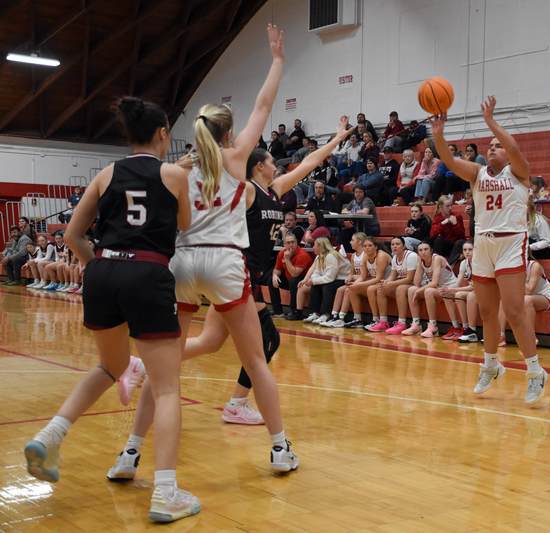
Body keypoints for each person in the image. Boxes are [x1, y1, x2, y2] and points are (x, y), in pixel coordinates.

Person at [106, 26, 303, 495]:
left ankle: (130, 452)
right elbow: (263, 106)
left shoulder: (177, 169)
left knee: (164, 367)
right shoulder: (237, 159)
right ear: (228, 133)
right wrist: (276, 60)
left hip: (182, 265)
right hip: (224, 264)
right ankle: (280, 448)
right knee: (256, 361)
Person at [23, 96, 198, 522]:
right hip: (148, 274)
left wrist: (102, 269)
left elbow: (72, 235)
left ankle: (51, 434)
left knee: (109, 367)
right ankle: (166, 493)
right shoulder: (175, 173)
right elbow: (185, 226)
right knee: (167, 385)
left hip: (103, 272)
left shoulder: (105, 173)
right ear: (162, 135)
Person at [176, 121, 353, 427]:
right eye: (272, 161)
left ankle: (145, 364)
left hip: (249, 275)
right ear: (259, 166)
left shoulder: (274, 190)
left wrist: (337, 137)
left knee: (210, 341)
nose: (278, 165)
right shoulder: (244, 190)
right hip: (237, 273)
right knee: (268, 339)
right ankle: (237, 403)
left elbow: (311, 163)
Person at [431, 95, 547, 404]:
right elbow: (449, 160)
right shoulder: (477, 174)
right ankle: (491, 364)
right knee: (485, 311)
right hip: (483, 242)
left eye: (497, 145)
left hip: (511, 242)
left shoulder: (519, 171)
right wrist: (439, 135)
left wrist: (491, 122)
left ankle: (535, 371)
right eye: (490, 145)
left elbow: (514, 148)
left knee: (513, 310)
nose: (493, 147)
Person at [401, 241, 458, 337]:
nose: (423, 252)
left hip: (450, 287)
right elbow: (416, 282)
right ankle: (416, 324)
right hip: (438, 288)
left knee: (428, 291)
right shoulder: (421, 261)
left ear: (431, 250)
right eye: (420, 250)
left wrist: (419, 290)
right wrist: (419, 264)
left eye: (426, 249)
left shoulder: (437, 259)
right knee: (411, 289)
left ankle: (433, 327)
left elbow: (434, 282)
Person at [365, 237, 419, 332]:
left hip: (417, 283)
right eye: (392, 244)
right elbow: (392, 276)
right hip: (405, 283)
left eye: (397, 244)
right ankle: (383, 322)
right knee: (380, 288)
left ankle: (402, 323)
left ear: (404, 246)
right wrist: (386, 282)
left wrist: (392, 283)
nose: (394, 246)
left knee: (400, 289)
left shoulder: (411, 256)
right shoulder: (394, 257)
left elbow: (410, 278)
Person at [497, 259, 550, 346]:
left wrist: (514, 278)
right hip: (523, 296)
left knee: (526, 300)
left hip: (545, 297)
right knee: (504, 299)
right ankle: (500, 336)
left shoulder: (535, 266)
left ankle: (531, 337)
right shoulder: (510, 268)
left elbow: (529, 290)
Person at [298, 237, 351, 324]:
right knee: (315, 285)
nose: (313, 247)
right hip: (334, 278)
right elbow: (316, 272)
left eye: (314, 245)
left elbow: (330, 277)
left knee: (327, 286)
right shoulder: (320, 256)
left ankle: (326, 314)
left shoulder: (331, 256)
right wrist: (312, 280)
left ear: (320, 246)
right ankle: (315, 313)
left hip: (343, 279)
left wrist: (313, 281)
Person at [344, 236, 391, 328]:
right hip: (377, 282)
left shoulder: (381, 256)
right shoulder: (365, 256)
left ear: (376, 247)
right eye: (365, 246)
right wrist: (355, 284)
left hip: (387, 281)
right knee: (352, 289)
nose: (367, 248)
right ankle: (357, 319)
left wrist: (359, 284)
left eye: (370, 245)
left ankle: (376, 319)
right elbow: (363, 276)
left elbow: (378, 278)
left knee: (370, 289)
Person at [322, 232, 367, 327]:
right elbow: (351, 272)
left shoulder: (365, 254)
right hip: (357, 280)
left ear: (359, 242)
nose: (350, 242)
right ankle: (334, 316)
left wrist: (354, 277)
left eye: (352, 240)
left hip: (365, 280)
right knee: (339, 290)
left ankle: (342, 317)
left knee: (347, 290)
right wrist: (349, 277)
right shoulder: (354, 255)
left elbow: (366, 275)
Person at [270, 233, 313, 319]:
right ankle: (278, 311)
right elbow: (277, 270)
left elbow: (295, 274)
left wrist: (287, 259)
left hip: (304, 281)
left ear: (297, 243)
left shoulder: (302, 255)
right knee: (271, 280)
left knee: (294, 281)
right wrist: (274, 275)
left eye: (293, 242)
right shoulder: (282, 253)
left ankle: (294, 311)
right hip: (290, 280)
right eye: (288, 243)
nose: (291, 245)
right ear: (284, 244)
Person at [441, 240, 475, 340]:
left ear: (475, 251)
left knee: (459, 294)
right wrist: (449, 289)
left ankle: (466, 328)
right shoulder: (464, 263)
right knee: (446, 294)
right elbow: (458, 282)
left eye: (470, 249)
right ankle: (456, 327)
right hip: (472, 290)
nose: (467, 252)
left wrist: (454, 290)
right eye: (465, 250)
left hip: (481, 290)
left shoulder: (479, 263)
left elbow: (474, 287)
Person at [339, 185, 380, 252]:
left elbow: (365, 212)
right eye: (356, 192)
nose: (358, 194)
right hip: (358, 227)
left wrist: (352, 211)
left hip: (371, 227)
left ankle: (362, 253)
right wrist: (352, 211)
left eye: (360, 192)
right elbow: (343, 211)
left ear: (364, 193)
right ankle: (349, 253)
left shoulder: (367, 200)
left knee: (359, 235)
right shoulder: (353, 201)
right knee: (343, 234)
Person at [429, 195, 465, 259]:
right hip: (444, 246)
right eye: (447, 206)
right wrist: (442, 223)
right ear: (441, 207)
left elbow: (462, 236)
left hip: (455, 245)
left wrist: (455, 224)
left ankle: (450, 266)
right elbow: (432, 235)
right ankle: (436, 262)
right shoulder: (437, 218)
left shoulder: (457, 216)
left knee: (459, 242)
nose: (450, 208)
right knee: (438, 240)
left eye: (451, 205)